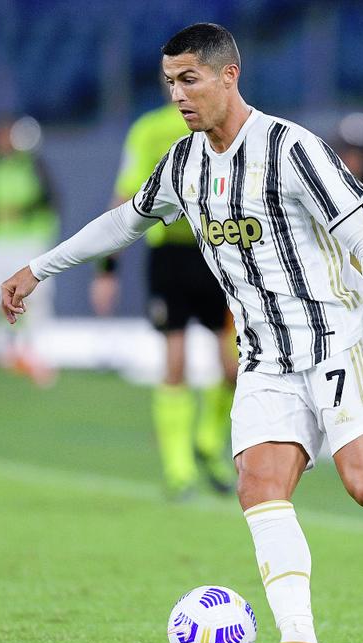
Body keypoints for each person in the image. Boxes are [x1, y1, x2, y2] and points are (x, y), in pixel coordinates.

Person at [1, 23, 363, 643]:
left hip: (336, 343)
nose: (178, 95)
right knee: (259, 487)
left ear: (228, 75)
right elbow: (124, 222)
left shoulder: (291, 149)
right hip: (264, 358)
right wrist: (40, 268)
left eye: (189, 79)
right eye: (170, 82)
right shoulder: (183, 164)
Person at [91, 101, 237, 497]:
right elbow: (125, 197)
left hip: (220, 252)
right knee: (176, 361)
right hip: (170, 257)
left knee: (234, 367)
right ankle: (179, 469)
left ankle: (208, 441)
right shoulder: (149, 130)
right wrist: (107, 268)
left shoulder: (226, 121)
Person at [0, 117, 59, 386]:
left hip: (28, 239)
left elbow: (49, 200)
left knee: (36, 297)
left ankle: (30, 352)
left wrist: (27, 215)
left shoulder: (34, 165)